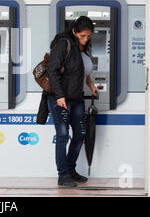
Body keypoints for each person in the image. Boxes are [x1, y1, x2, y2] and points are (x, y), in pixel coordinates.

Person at [47, 16, 100, 187]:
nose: (86, 39)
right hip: (60, 98)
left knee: (80, 135)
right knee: (63, 135)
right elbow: (52, 70)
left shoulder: (81, 47)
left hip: (76, 98)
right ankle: (63, 175)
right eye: (83, 35)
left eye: (88, 36)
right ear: (74, 31)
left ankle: (70, 169)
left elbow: (82, 72)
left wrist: (91, 85)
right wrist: (59, 95)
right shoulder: (64, 44)